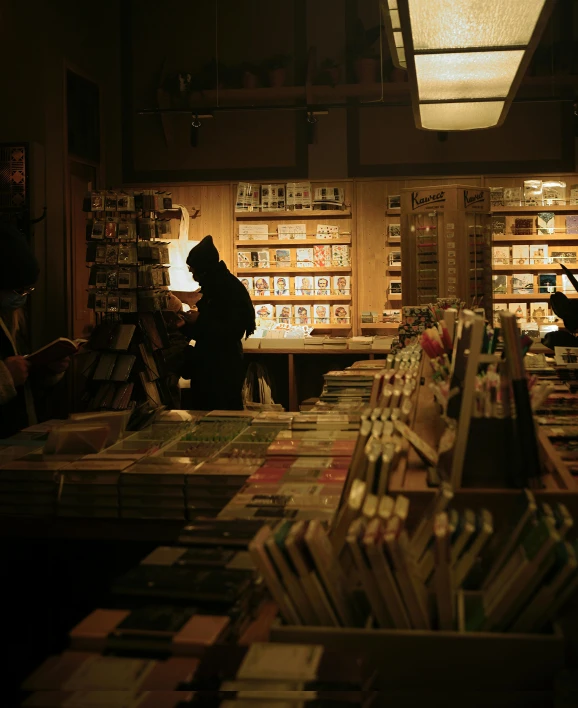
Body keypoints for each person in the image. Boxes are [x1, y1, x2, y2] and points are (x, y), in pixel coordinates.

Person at [0, 223, 70, 437]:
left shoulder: (10, 318)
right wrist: (5, 377)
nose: (22, 297)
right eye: (18, 290)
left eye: (28, 289)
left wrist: (47, 368)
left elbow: (21, 373)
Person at [180, 235, 255, 411]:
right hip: (216, 366)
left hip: (221, 369)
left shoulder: (226, 288)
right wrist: (187, 324)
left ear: (204, 268)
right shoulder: (218, 284)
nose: (193, 275)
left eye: (194, 270)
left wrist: (200, 319)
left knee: (220, 418)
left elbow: (231, 330)